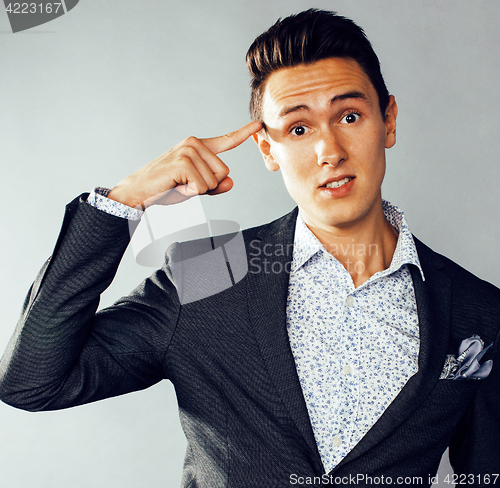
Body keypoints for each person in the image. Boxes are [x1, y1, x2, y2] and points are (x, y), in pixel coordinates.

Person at [0, 9, 499, 487]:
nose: (329, 151)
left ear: (387, 121)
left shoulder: (478, 312)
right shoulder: (211, 272)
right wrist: (124, 200)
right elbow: (32, 382)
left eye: (349, 116)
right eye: (298, 128)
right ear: (267, 150)